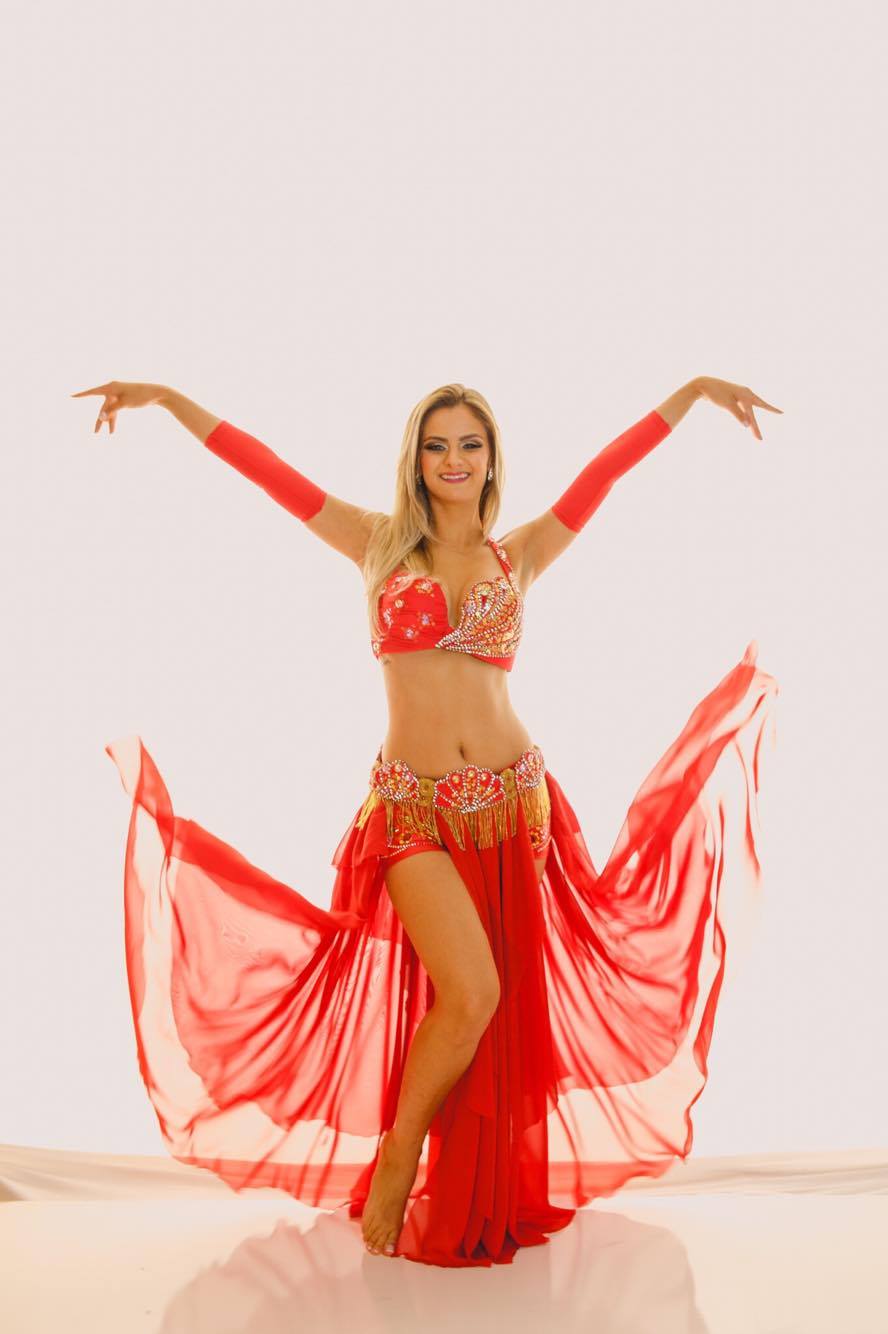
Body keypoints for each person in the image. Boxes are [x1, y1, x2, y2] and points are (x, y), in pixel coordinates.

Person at [74, 375, 781, 1269]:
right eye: (436, 445)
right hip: (411, 806)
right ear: (416, 459)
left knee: (492, 1004)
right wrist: (170, 401)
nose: (453, 460)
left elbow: (604, 475)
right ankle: (400, 1152)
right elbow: (266, 470)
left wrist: (692, 394)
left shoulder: (520, 554)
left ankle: (466, 1178)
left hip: (514, 806)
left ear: (491, 459)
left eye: (469, 444)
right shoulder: (375, 544)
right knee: (471, 990)